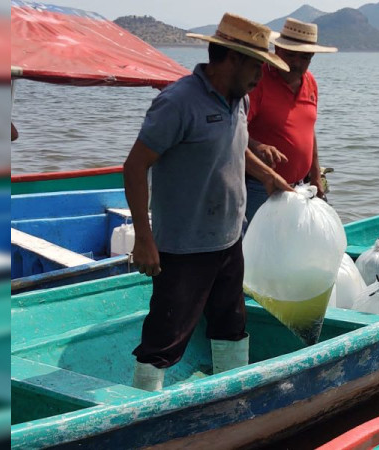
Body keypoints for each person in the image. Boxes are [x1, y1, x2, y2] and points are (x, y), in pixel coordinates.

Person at [123, 13, 291, 391]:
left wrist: (267, 176)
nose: (261, 76)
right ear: (231, 58)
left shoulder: (240, 100)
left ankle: (232, 397)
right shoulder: (178, 103)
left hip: (230, 239)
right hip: (184, 247)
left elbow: (236, 145)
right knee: (164, 337)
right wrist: (144, 238)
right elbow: (135, 167)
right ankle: (141, 410)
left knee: (231, 326)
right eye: (257, 66)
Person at [245, 18, 338, 222]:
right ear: (276, 49)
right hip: (259, 185)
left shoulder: (310, 82)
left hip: (302, 185)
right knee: (258, 247)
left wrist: (316, 177)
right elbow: (233, 130)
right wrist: (257, 145)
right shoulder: (257, 80)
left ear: (311, 57)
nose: (296, 63)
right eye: (290, 55)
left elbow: (308, 131)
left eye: (304, 57)